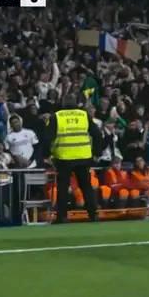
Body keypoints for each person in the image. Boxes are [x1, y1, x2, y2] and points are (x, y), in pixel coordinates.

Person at [44, 94, 102, 223]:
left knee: (63, 188)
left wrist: (46, 155)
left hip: (63, 157)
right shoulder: (84, 115)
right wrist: (96, 153)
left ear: (63, 103)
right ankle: (93, 215)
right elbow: (97, 134)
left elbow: (47, 138)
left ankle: (62, 217)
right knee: (86, 187)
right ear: (75, 103)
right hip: (83, 156)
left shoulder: (57, 116)